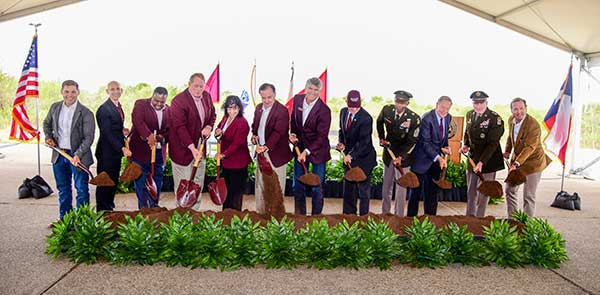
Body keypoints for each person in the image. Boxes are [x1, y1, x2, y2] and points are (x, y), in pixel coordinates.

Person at [43, 80, 95, 220]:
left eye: (73, 91)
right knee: (63, 189)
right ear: (62, 92)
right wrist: (49, 137)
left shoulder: (86, 112)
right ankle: (65, 220)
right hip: (59, 155)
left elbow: (89, 137)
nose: (69, 95)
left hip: (78, 156)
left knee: (81, 190)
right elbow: (46, 123)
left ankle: (82, 221)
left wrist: (77, 154)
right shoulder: (55, 107)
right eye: (66, 91)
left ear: (78, 92)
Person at [169, 73, 216, 209]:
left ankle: (194, 212)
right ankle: (182, 214)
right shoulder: (178, 101)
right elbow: (180, 127)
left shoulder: (207, 97)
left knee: (197, 182)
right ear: (189, 85)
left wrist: (209, 126)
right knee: (183, 184)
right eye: (195, 86)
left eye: (201, 86)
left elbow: (212, 114)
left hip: (200, 148)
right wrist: (192, 148)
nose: (198, 89)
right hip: (182, 150)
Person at [289, 77, 331, 215]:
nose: (312, 92)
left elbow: (321, 136)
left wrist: (306, 152)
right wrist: (293, 134)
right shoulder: (297, 99)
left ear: (320, 91)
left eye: (316, 90)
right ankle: (300, 216)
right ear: (305, 88)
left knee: (316, 187)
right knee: (297, 186)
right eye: (310, 89)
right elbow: (294, 121)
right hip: (299, 147)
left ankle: (316, 220)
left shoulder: (324, 110)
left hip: (318, 151)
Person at [504, 97, 551, 217]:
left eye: (521, 108)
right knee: (510, 190)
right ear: (511, 111)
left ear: (526, 108)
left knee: (529, 195)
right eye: (515, 109)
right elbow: (510, 137)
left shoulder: (533, 125)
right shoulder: (511, 120)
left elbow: (530, 147)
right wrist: (507, 151)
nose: (518, 112)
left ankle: (527, 226)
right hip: (518, 160)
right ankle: (513, 220)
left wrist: (515, 164)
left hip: (533, 163)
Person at [376, 90, 420, 216]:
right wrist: (381, 137)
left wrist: (401, 157)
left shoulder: (414, 118)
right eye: (397, 101)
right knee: (386, 186)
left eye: (402, 102)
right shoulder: (387, 110)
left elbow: (412, 142)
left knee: (401, 189)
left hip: (404, 157)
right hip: (388, 154)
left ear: (407, 103)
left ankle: (399, 216)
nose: (399, 105)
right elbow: (379, 122)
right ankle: (385, 213)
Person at [461, 91, 505, 217]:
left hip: (488, 160)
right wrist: (466, 145)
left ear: (486, 102)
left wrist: (481, 163)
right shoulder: (470, 114)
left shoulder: (495, 119)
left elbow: (493, 144)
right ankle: (470, 217)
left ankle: (479, 218)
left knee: (484, 192)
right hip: (473, 158)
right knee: (471, 191)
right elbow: (467, 132)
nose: (478, 105)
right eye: (475, 102)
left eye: (481, 102)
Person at [407, 96, 453, 217]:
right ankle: (410, 220)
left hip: (435, 162)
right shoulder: (427, 118)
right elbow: (425, 143)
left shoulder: (448, 117)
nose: (444, 111)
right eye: (442, 107)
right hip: (421, 161)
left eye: (447, 108)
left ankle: (431, 220)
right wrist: (438, 157)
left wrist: (446, 147)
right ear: (436, 104)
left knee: (432, 193)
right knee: (415, 193)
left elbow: (443, 137)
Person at [251, 83, 293, 213]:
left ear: (275, 94)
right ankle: (261, 213)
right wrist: (253, 136)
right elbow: (255, 126)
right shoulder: (258, 108)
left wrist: (265, 147)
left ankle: (276, 214)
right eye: (263, 98)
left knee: (276, 186)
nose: (266, 101)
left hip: (277, 155)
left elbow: (278, 133)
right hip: (261, 153)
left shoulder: (282, 111)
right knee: (260, 185)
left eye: (269, 97)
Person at [337, 90, 377, 215]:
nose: (353, 109)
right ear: (346, 102)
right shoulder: (343, 112)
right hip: (349, 159)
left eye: (356, 107)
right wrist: (341, 142)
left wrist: (351, 155)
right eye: (350, 107)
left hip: (364, 159)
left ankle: (364, 218)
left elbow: (364, 142)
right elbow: (342, 130)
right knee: (349, 190)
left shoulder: (366, 118)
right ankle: (349, 217)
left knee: (363, 191)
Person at [129, 87, 170, 209]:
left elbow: (171, 130)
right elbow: (138, 121)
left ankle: (154, 206)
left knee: (157, 180)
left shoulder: (169, 110)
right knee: (141, 181)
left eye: (161, 102)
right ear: (152, 96)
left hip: (158, 153)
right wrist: (148, 135)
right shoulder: (141, 104)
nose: (158, 104)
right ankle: (143, 208)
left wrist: (162, 138)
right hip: (140, 152)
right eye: (156, 100)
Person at [95, 81, 131, 212]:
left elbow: (114, 127)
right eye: (112, 89)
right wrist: (122, 148)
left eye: (118, 89)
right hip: (106, 153)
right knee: (105, 183)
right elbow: (107, 132)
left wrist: (122, 130)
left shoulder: (117, 106)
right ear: (107, 91)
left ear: (121, 91)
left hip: (114, 153)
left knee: (113, 182)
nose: (115, 91)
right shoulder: (104, 109)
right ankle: (102, 212)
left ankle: (109, 208)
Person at [214, 95, 252, 211]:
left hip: (238, 163)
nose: (232, 111)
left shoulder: (243, 123)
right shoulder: (225, 118)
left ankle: (234, 218)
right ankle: (226, 215)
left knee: (235, 193)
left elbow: (237, 143)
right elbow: (219, 131)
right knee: (226, 191)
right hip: (227, 163)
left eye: (235, 108)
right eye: (229, 108)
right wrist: (217, 132)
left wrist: (223, 155)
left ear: (239, 108)